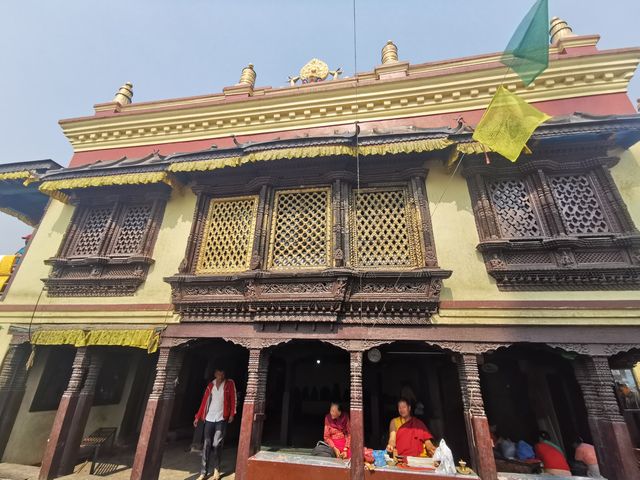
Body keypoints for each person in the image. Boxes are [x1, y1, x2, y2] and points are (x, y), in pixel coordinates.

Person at [194, 367, 237, 480]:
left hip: (221, 418)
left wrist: (232, 413)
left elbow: (233, 399)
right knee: (206, 444)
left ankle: (216, 469)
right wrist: (198, 417)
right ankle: (203, 472)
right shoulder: (210, 385)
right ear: (215, 374)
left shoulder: (229, 383)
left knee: (216, 444)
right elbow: (204, 402)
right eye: (218, 374)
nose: (220, 377)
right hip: (209, 417)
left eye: (222, 374)